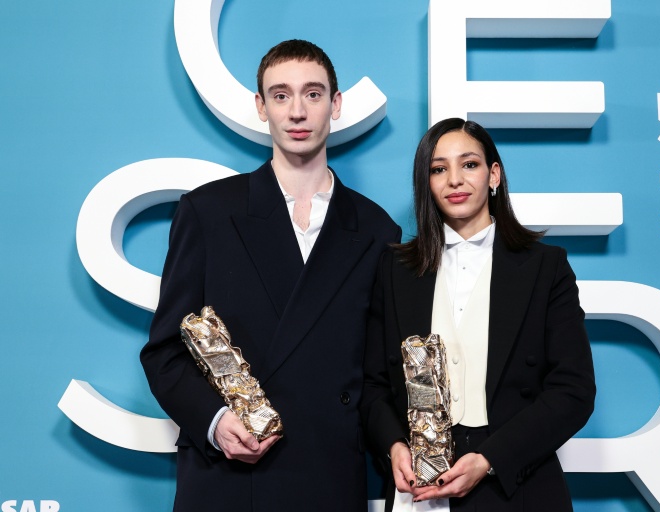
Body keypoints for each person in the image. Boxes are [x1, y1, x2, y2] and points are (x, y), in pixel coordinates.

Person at [141, 40, 400, 512]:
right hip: (230, 477)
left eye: (313, 94)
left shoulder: (378, 229)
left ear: (336, 105)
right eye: (281, 95)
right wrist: (216, 421)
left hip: (328, 475)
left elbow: (376, 374)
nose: (297, 111)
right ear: (261, 107)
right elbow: (165, 351)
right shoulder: (208, 212)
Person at [362, 118, 595, 511]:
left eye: (469, 164)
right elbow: (373, 385)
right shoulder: (394, 270)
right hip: (419, 490)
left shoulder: (545, 267)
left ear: (494, 175)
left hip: (515, 487)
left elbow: (574, 391)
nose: (455, 179)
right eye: (439, 169)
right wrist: (394, 446)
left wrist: (491, 460)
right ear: (427, 184)